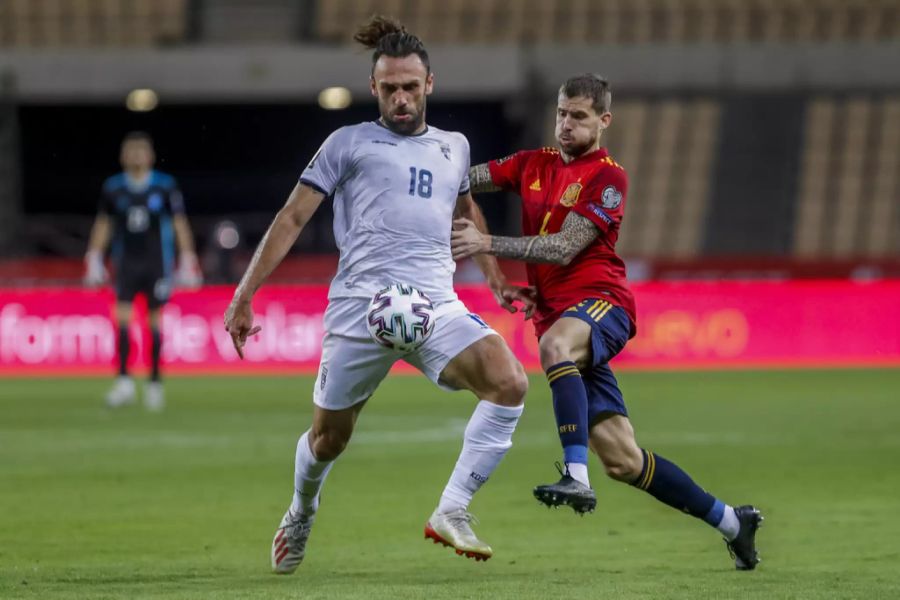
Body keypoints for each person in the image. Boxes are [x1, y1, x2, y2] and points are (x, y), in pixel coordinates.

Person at [223, 16, 531, 574]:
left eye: (411, 86)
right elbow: (292, 216)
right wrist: (245, 294)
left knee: (509, 383)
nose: (401, 98)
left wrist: (494, 274)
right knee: (328, 440)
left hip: (434, 306)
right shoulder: (347, 143)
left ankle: (452, 509)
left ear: (429, 84)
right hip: (360, 311)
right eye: (390, 88)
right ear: (374, 89)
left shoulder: (454, 148)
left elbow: (466, 213)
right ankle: (302, 508)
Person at [450, 74, 763, 570]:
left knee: (554, 348)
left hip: (603, 304)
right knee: (624, 459)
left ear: (603, 121)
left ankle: (575, 474)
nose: (566, 124)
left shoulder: (607, 177)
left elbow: (563, 247)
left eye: (578, 116)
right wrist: (421, 164)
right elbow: (464, 178)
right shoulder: (533, 164)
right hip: (560, 316)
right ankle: (731, 522)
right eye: (561, 113)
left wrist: (486, 244)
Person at [84, 131, 202, 411]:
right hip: (125, 263)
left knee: (153, 322)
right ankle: (124, 382)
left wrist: (187, 258)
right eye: (131, 151)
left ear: (149, 156)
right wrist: (94, 257)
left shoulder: (164, 186)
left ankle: (154, 383)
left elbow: (178, 222)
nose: (136, 156)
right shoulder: (113, 188)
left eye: (141, 151)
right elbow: (104, 224)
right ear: (123, 156)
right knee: (121, 319)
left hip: (156, 263)